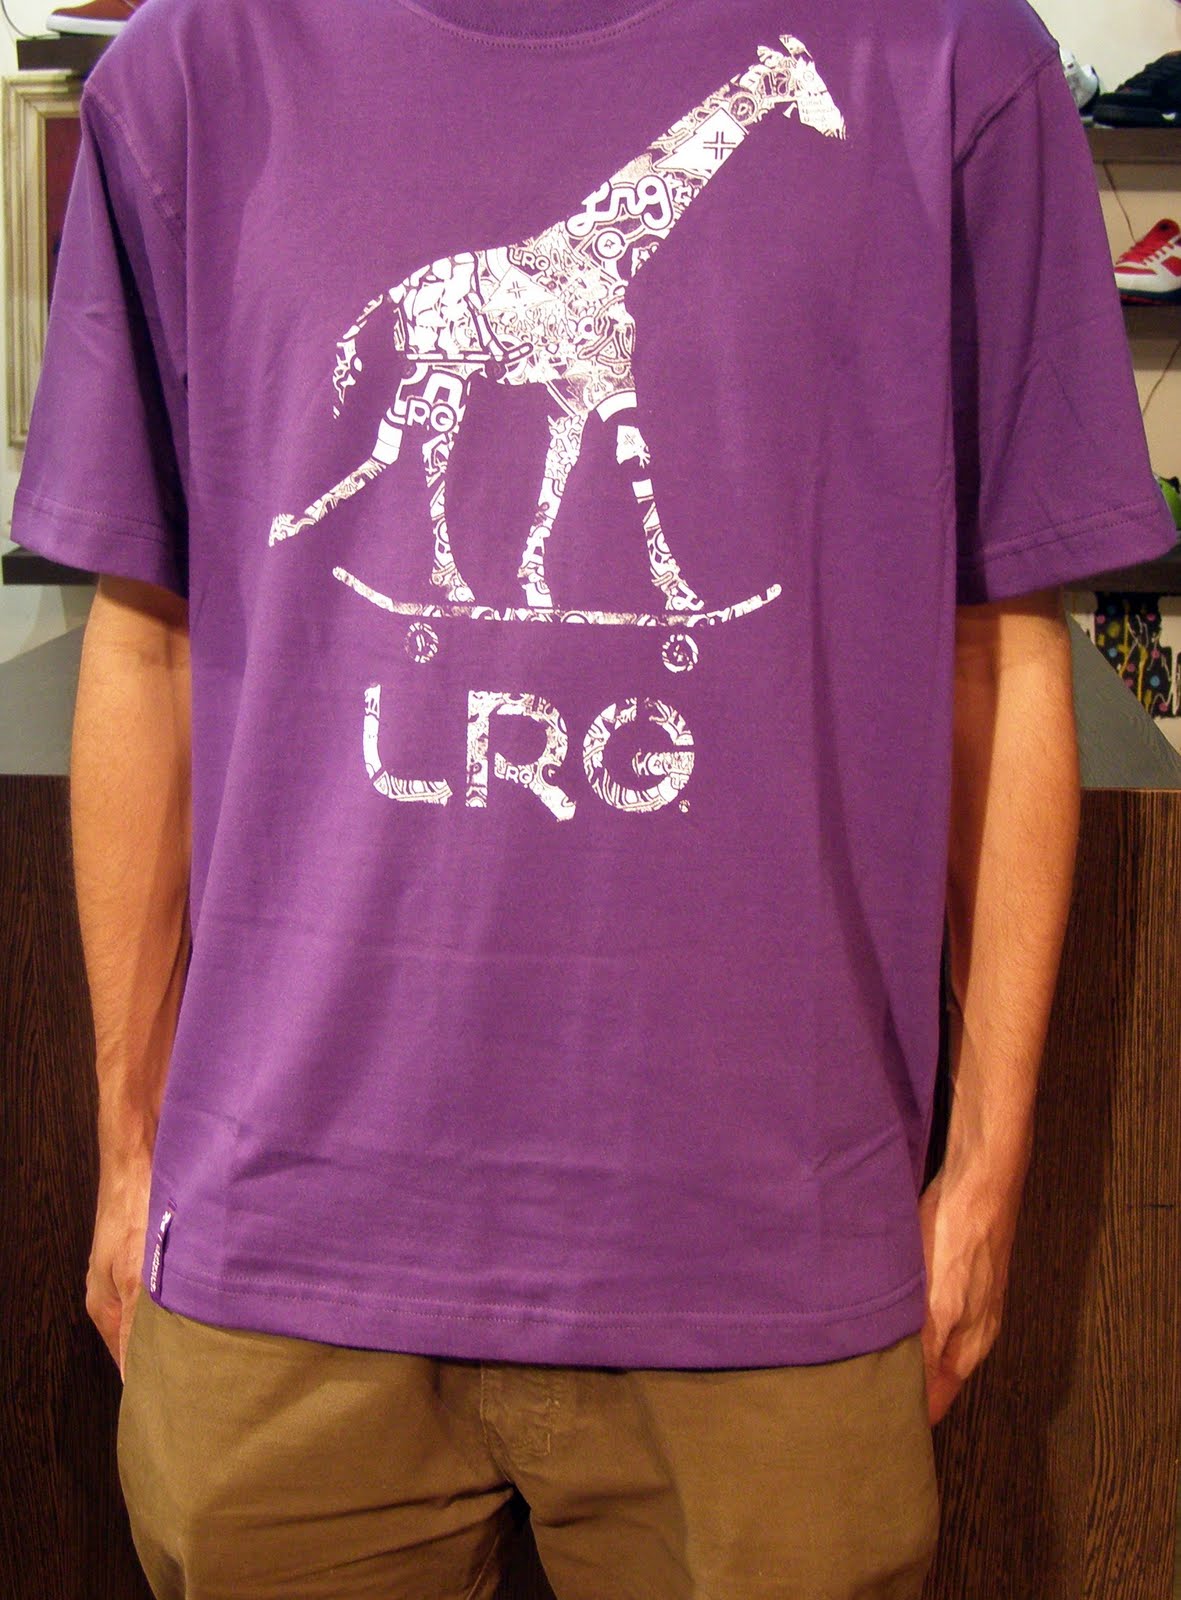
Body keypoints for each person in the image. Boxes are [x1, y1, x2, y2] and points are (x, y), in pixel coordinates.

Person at [11, 0, 1176, 1594]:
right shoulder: (195, 72)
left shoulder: (950, 63)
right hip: (275, 1262)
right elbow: (147, 642)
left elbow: (998, 656)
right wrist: (131, 1150)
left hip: (767, 1262)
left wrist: (983, 1184)